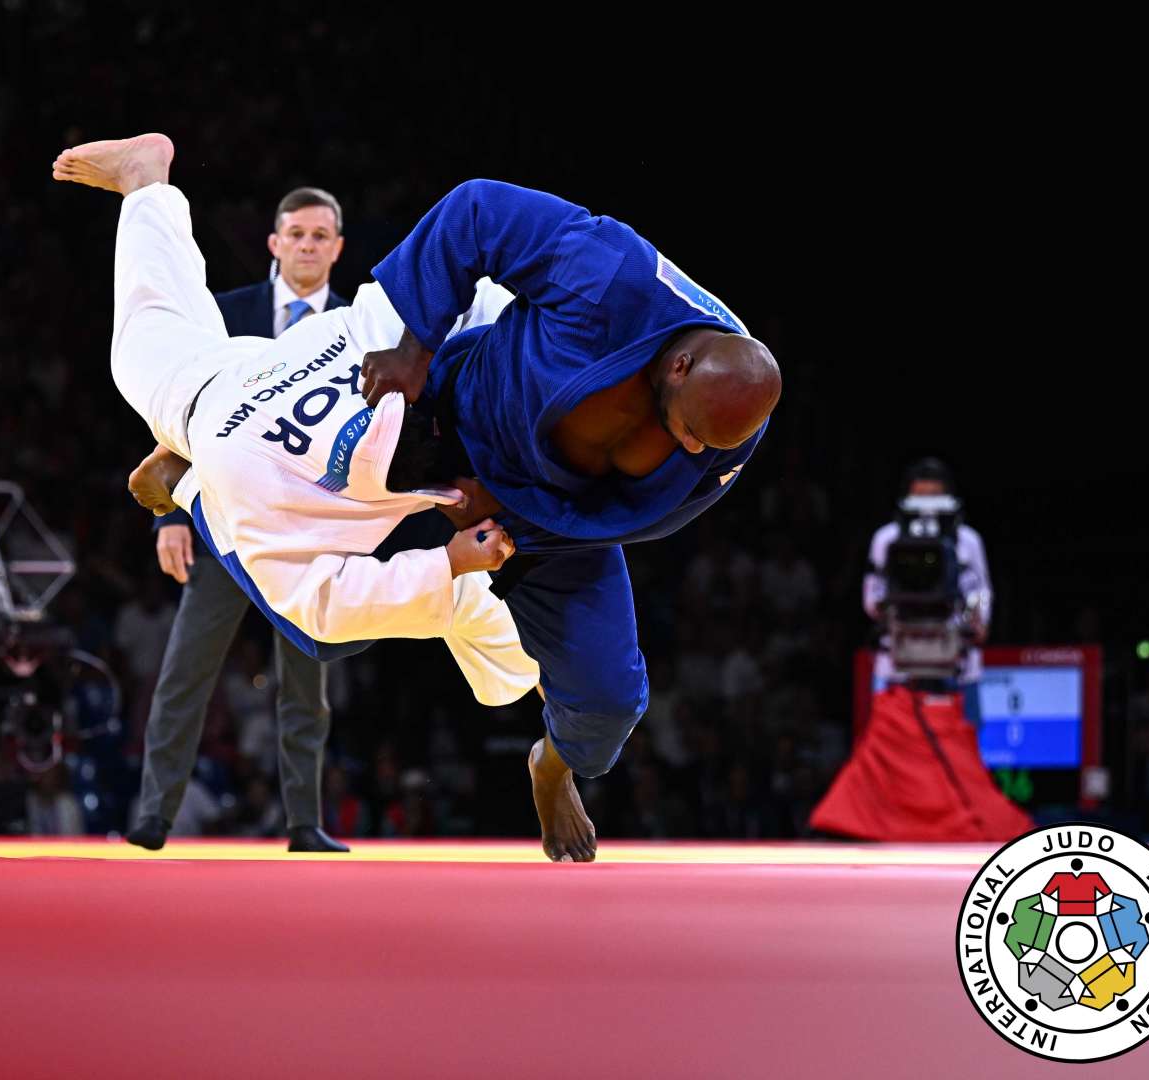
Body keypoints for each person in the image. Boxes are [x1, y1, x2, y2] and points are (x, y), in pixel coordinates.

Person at [53, 134, 779, 861]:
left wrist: (477, 494)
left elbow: (648, 507)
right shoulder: (263, 469)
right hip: (277, 422)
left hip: (540, 503)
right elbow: (324, 604)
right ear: (679, 364)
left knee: (606, 698)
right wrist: (446, 547)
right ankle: (182, 479)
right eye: (687, 431)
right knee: (319, 623)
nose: (692, 449)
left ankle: (550, 762)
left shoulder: (719, 429)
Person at [131, 187, 355, 854]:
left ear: (338, 248)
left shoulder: (359, 327)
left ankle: (304, 821)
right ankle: (153, 816)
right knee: (185, 672)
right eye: (297, 233)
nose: (308, 245)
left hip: (313, 532)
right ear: (274, 242)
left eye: (321, 236)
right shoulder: (227, 317)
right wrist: (167, 516)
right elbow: (174, 411)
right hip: (223, 519)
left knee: (307, 683)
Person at [861, 457, 993, 696]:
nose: (927, 505)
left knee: (958, 733)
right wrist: (888, 607)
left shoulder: (968, 541)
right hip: (897, 665)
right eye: (920, 496)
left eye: (934, 496)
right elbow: (872, 595)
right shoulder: (886, 539)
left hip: (957, 665)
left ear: (948, 497)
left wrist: (978, 619)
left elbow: (981, 591)